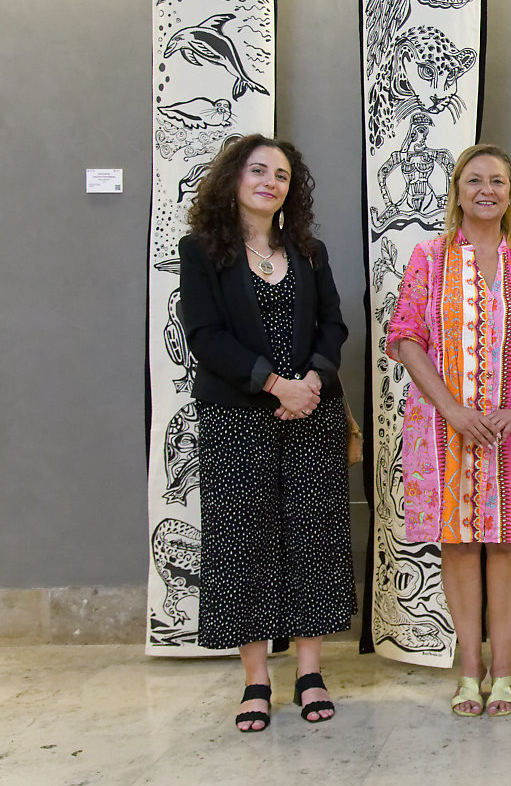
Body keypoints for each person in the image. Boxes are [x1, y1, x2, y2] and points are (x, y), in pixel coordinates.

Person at [387, 144, 511, 717]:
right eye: (474, 180)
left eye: (498, 179)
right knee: (460, 543)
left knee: (508, 541)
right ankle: (469, 669)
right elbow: (404, 336)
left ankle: (505, 670)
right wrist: (451, 410)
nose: (486, 189)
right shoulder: (428, 255)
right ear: (457, 191)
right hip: (446, 430)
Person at [179, 134, 356, 731]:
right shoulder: (203, 251)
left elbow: (333, 324)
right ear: (234, 179)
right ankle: (256, 679)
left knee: (314, 537)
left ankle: (310, 670)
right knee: (242, 543)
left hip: (312, 413)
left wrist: (310, 383)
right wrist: (274, 384)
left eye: (281, 175)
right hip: (237, 415)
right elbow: (203, 335)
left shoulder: (309, 249)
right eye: (258, 171)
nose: (269, 182)